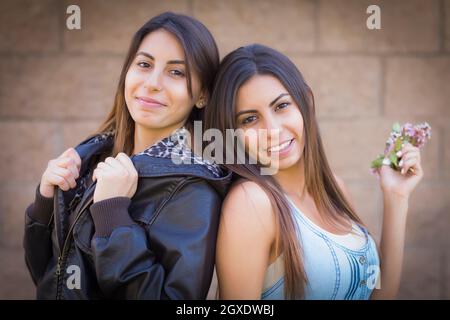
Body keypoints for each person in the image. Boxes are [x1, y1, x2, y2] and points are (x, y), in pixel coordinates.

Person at [24, 12, 231, 299]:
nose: (152, 83)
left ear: (202, 95)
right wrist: (45, 202)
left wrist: (113, 214)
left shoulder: (192, 191)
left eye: (176, 72)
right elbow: (48, 277)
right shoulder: (93, 157)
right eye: (144, 64)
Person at [203, 44, 423, 299]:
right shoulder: (252, 202)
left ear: (306, 100)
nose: (273, 129)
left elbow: (377, 295)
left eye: (281, 106)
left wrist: (396, 198)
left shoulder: (335, 190)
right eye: (249, 119)